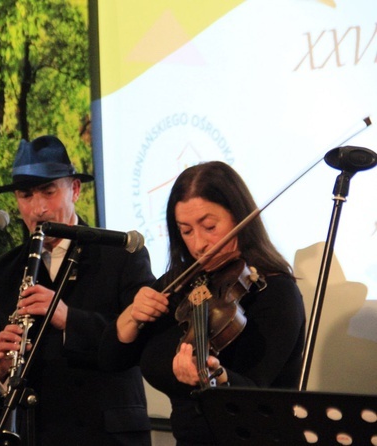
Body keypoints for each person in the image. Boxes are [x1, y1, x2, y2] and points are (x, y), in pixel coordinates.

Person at [0, 135, 155, 445]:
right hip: (36, 433)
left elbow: (142, 342)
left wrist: (68, 318)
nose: (38, 208)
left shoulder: (121, 254)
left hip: (106, 436)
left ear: (75, 190)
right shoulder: (0, 273)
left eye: (49, 192)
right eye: (25, 195)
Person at [100, 161, 306, 446]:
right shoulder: (179, 283)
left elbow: (255, 391)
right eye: (186, 231)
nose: (199, 245)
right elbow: (111, 359)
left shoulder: (275, 291)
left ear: (238, 217)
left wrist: (212, 376)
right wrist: (132, 316)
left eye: (209, 227)